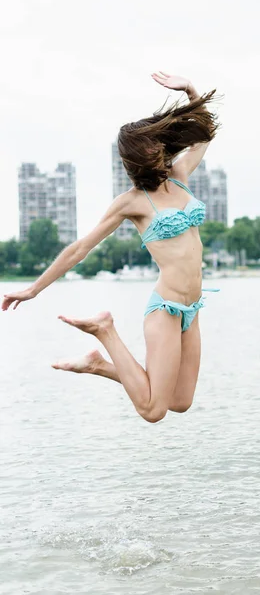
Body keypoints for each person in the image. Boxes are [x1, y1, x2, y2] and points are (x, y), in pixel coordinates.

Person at [2, 72, 220, 423]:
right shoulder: (132, 201)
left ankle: (98, 365)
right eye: (147, 145)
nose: (156, 148)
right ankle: (105, 330)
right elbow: (79, 248)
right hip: (165, 309)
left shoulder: (180, 175)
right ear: (138, 157)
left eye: (156, 141)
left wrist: (192, 91)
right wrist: (33, 288)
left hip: (192, 308)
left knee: (179, 402)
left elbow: (205, 135)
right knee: (153, 410)